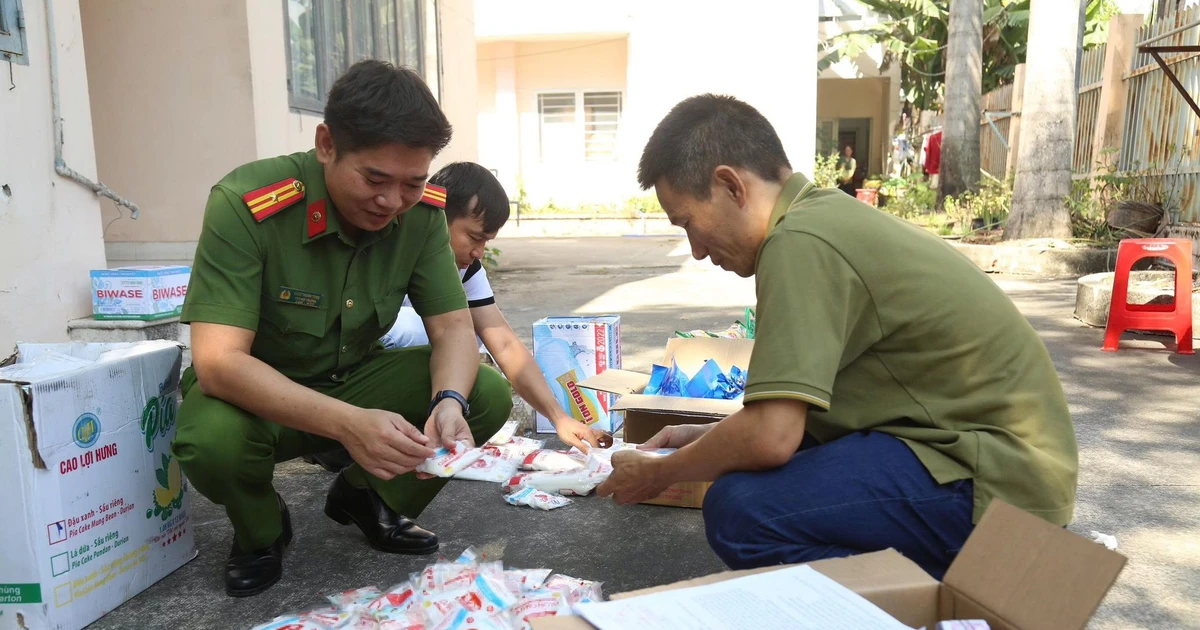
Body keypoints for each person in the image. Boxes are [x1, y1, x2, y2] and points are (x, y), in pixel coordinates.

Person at [597, 94, 1078, 580]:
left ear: (730, 185)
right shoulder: (819, 219)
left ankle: (935, 599)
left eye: (688, 223)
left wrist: (661, 472)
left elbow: (771, 437)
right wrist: (695, 438)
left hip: (990, 483)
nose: (697, 250)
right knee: (757, 476)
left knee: (742, 511)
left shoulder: (799, 244)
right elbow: (791, 418)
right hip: (990, 462)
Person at [172, 60, 513, 598]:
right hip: (257, 397)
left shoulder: (422, 214)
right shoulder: (247, 204)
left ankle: (370, 497)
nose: (392, 202)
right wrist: (349, 424)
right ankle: (261, 529)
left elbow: (452, 327)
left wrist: (447, 400)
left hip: (353, 380)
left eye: (412, 183)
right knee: (211, 441)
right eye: (374, 179)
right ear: (327, 144)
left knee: (484, 394)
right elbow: (218, 363)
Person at [307, 162, 612, 472]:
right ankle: (335, 438)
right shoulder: (388, 245)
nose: (479, 252)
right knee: (422, 331)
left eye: (486, 242)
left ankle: (372, 486)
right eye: (474, 237)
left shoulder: (465, 268)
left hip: (386, 376)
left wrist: (559, 417)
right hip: (331, 379)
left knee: (472, 355)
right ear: (436, 217)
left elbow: (504, 343)